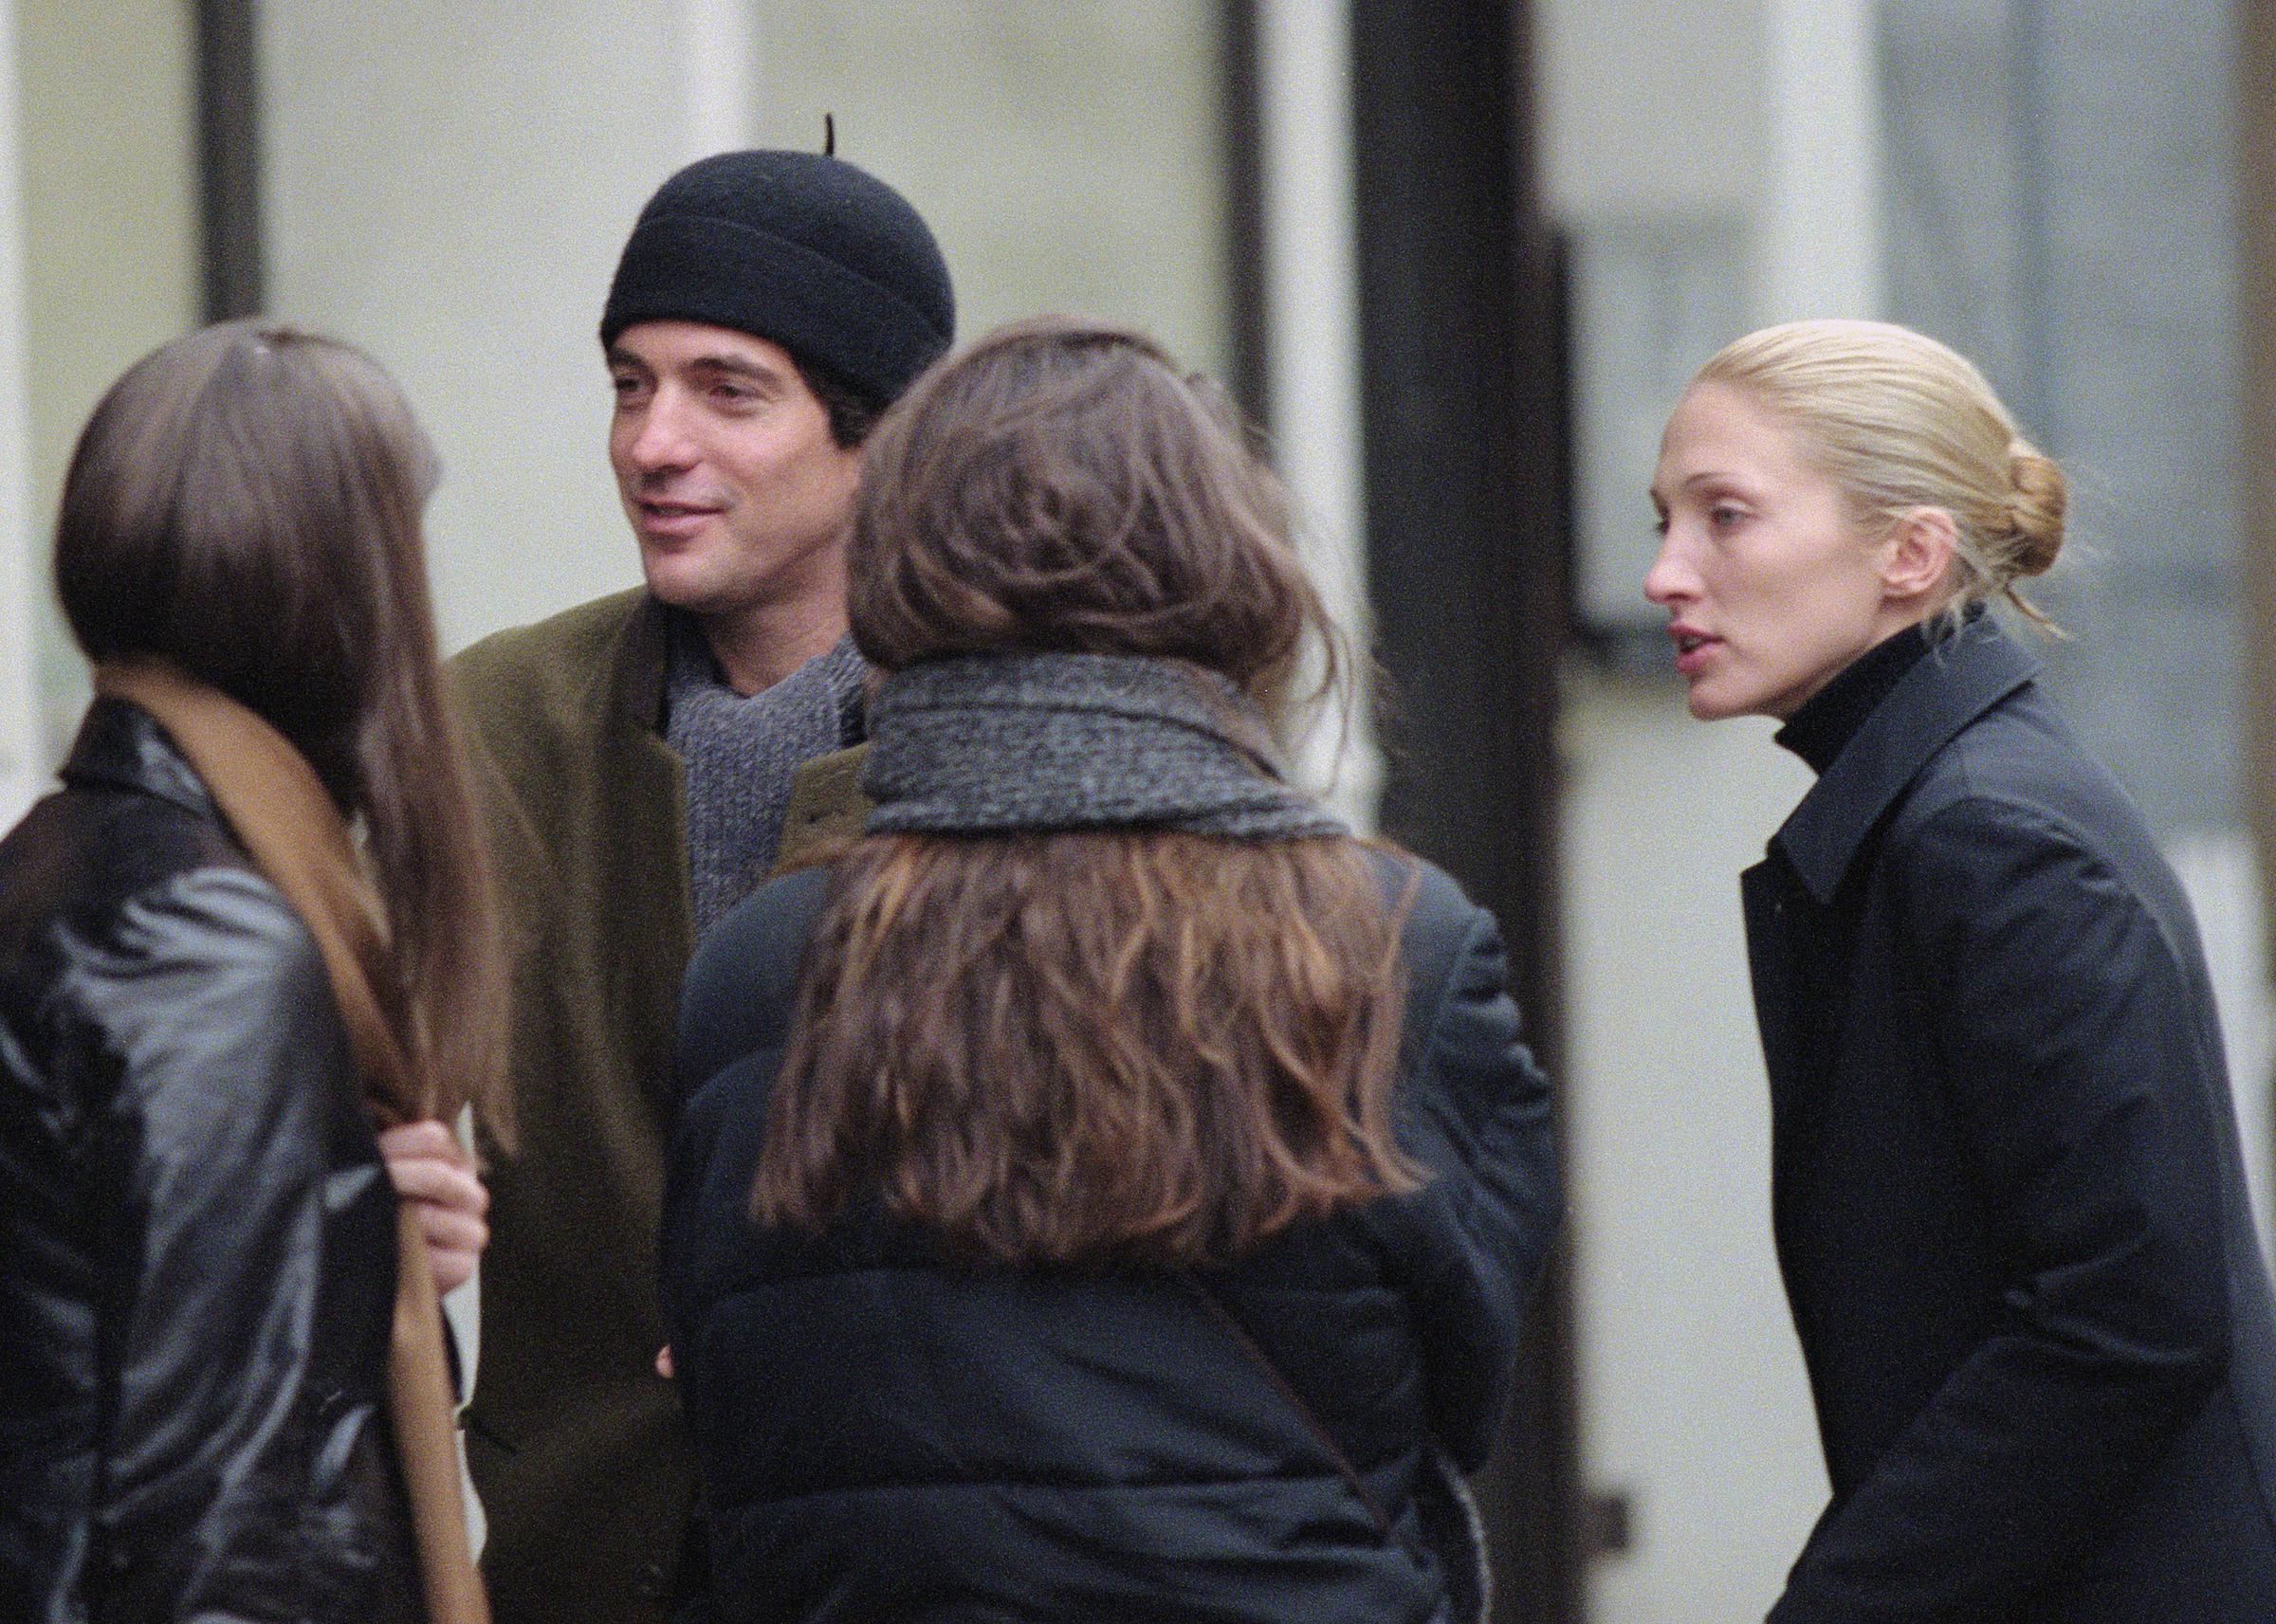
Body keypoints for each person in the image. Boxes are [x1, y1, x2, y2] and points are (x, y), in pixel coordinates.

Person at [660, 317, 1564, 1624]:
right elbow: (1465, 1388)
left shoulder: (757, 964)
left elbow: (728, 1390)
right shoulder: (1392, 941)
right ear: (1221, 557)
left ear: (897, 561)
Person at [1645, 317, 2276, 1619]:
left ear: (1911, 552)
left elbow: (2130, 1314)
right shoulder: (1943, 811)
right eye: (1666, 518)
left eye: (1725, 517)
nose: (1666, 573)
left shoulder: (1989, 833)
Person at [438, 149, 955, 1624]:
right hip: (580, 1566)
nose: (653, 441)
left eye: (729, 391)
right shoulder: (490, 722)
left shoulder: (1007, 730)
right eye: (627, 383)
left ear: (883, 437)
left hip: (921, 1561)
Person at [0, 320, 505, 1623]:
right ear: (337, 585)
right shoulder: (210, 943)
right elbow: (213, 1523)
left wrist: (342, 1216)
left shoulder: (67, 858)